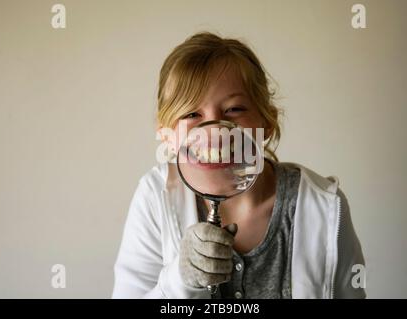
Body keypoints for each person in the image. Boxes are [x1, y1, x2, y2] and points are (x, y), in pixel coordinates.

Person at [112, 32, 366, 299]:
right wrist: (180, 280)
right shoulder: (154, 196)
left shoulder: (324, 205)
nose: (215, 132)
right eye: (191, 114)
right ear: (167, 136)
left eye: (234, 109)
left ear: (267, 121)